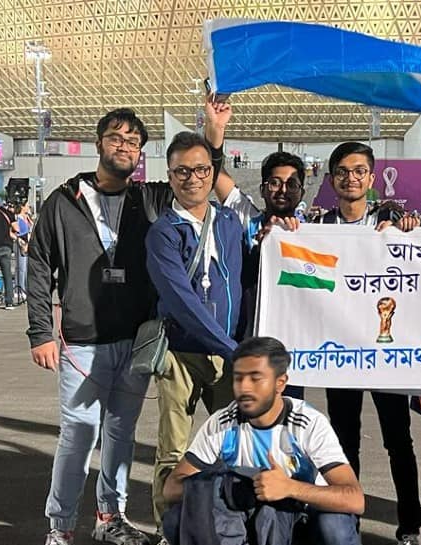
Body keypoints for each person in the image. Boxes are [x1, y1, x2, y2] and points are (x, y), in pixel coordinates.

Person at [28, 107, 172, 545]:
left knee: (121, 433)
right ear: (98, 144)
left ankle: (111, 516)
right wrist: (40, 333)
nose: (125, 146)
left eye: (134, 142)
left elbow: (200, 177)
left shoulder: (147, 199)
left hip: (134, 341)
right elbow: (38, 267)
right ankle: (61, 525)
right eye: (116, 138)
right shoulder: (63, 202)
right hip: (82, 344)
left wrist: (215, 131)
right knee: (78, 433)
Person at [308, 141, 421, 545]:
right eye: (342, 171)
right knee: (343, 442)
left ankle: (409, 524)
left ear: (372, 179)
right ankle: (346, 519)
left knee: (398, 441)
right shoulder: (318, 228)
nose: (351, 178)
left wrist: (410, 231)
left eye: (359, 171)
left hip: (385, 354)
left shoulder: (390, 224)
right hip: (341, 356)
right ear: (331, 179)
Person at [161, 337, 364, 545]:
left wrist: (289, 488)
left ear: (280, 383)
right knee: (175, 520)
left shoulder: (308, 423)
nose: (245, 388)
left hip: (301, 523)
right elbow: (171, 489)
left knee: (335, 526)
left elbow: (354, 498)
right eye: (238, 378)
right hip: (248, 521)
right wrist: (228, 486)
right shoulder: (222, 423)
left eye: (255, 378)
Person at [146, 130, 244, 529]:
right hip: (182, 356)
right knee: (173, 449)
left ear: (211, 172)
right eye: (182, 171)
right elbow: (180, 301)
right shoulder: (163, 233)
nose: (193, 178)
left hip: (228, 354)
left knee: (235, 446)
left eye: (201, 169)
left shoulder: (230, 223)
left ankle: (232, 525)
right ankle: (167, 529)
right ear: (170, 176)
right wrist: (231, 348)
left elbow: (251, 278)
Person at [202, 96, 304, 396]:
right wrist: (216, 130)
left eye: (291, 183)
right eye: (274, 182)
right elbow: (211, 172)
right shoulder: (246, 217)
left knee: (286, 417)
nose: (282, 190)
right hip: (246, 340)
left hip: (291, 343)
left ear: (301, 189)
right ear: (263, 188)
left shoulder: (311, 234)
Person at [15, 202, 33, 293]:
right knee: (21, 268)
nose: (28, 207)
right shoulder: (18, 218)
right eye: (27, 206)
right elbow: (16, 233)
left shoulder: (27, 218)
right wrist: (23, 245)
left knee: (26, 269)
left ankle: (25, 288)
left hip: (29, 244)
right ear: (22, 207)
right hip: (21, 244)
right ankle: (19, 289)